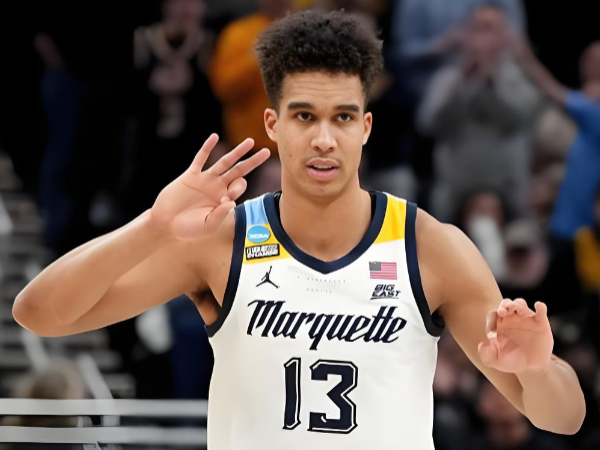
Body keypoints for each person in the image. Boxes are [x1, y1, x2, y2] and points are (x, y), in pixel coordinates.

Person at [13, 10, 585, 450]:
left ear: (366, 127)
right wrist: (152, 227)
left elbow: (564, 417)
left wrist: (537, 368)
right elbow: (40, 314)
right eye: (304, 116)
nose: (323, 139)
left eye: (342, 118)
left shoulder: (431, 246)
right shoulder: (221, 240)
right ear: (273, 124)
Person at [417, 3, 541, 222]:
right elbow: (427, 124)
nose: (482, 38)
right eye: (477, 28)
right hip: (455, 190)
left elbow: (523, 118)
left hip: (506, 189)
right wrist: (463, 84)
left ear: (505, 37)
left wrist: (492, 81)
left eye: (489, 29)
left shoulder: (518, 77)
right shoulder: (448, 79)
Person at [513, 38, 600, 240]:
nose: (594, 68)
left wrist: (525, 58)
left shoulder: (589, 109)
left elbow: (551, 89)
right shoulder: (571, 113)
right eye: (590, 61)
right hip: (564, 222)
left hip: (589, 223)